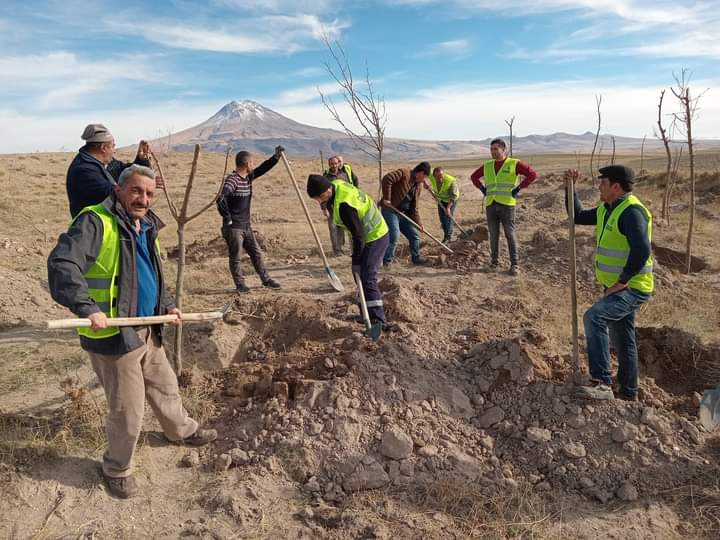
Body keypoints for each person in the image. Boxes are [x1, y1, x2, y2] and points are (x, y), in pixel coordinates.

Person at [47, 164, 217, 499]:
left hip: (147, 329)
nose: (143, 199)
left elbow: (151, 273)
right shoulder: (95, 221)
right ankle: (116, 468)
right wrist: (87, 308)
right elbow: (62, 264)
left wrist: (167, 306)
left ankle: (179, 431)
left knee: (166, 388)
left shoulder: (146, 225)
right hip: (114, 336)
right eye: (137, 191)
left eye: (150, 193)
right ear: (120, 189)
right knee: (128, 410)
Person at [563, 165, 653, 401]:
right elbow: (578, 215)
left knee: (594, 317)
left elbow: (642, 249)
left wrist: (622, 281)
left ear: (616, 186)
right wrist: (569, 188)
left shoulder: (631, 212)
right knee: (624, 341)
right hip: (618, 287)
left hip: (633, 287)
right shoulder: (607, 209)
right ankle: (629, 393)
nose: (599, 187)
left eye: (602, 183)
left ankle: (602, 383)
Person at [307, 174, 390, 329]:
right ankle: (366, 313)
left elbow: (358, 235)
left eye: (319, 198)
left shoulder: (344, 205)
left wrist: (356, 259)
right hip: (367, 235)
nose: (318, 202)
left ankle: (379, 320)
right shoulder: (337, 185)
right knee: (359, 275)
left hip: (376, 235)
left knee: (367, 274)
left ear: (326, 190)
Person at [216, 146, 285, 292]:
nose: (253, 166)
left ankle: (266, 280)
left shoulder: (247, 178)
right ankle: (240, 285)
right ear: (247, 164)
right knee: (236, 257)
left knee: (256, 253)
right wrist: (227, 218)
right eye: (252, 163)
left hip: (246, 226)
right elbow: (220, 199)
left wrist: (276, 157)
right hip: (234, 228)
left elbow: (262, 169)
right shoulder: (232, 180)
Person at [470, 138, 537, 275]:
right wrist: (483, 189)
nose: (493, 152)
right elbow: (474, 177)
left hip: (507, 205)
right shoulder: (488, 165)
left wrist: (518, 189)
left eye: (495, 149)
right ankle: (494, 263)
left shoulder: (514, 163)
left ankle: (515, 265)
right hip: (491, 204)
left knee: (509, 234)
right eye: (491, 149)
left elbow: (532, 174)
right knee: (493, 235)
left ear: (503, 149)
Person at [66, 123, 157, 218]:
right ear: (104, 148)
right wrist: (139, 187)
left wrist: (141, 160)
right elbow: (111, 193)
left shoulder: (104, 163)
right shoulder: (84, 170)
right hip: (92, 227)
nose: (114, 150)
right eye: (113, 146)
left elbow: (126, 172)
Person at [380, 162, 431, 266]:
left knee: (414, 235)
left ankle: (416, 258)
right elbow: (387, 179)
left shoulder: (418, 186)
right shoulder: (404, 173)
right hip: (391, 211)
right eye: (424, 176)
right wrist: (387, 198)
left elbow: (414, 207)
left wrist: (419, 223)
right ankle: (387, 262)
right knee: (394, 235)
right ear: (421, 172)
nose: (424, 179)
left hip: (403, 214)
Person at [324, 155, 360, 256]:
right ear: (329, 165)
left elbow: (354, 184)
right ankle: (337, 251)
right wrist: (324, 208)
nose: (334, 165)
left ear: (339, 163)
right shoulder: (326, 178)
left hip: (346, 206)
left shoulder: (345, 174)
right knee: (333, 228)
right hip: (332, 207)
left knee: (350, 228)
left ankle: (354, 251)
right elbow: (323, 194)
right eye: (332, 164)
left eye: (336, 163)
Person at [429, 166, 460, 243]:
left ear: (444, 175)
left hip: (451, 200)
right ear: (434, 176)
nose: (440, 179)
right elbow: (424, 169)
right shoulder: (432, 177)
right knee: (442, 219)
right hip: (441, 200)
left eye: (441, 176)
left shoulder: (451, 181)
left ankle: (448, 237)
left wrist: (448, 208)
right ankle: (447, 234)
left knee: (448, 217)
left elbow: (453, 196)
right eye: (437, 177)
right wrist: (423, 182)